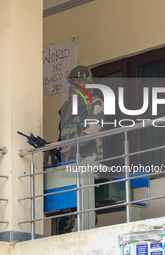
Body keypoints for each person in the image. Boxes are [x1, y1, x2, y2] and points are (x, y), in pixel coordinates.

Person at [57, 65, 104, 234]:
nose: (77, 84)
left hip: (88, 157)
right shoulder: (67, 107)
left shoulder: (95, 102)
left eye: (80, 80)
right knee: (66, 203)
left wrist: (73, 145)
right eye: (73, 81)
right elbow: (62, 132)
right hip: (68, 159)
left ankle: (88, 232)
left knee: (86, 200)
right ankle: (64, 238)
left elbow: (94, 128)